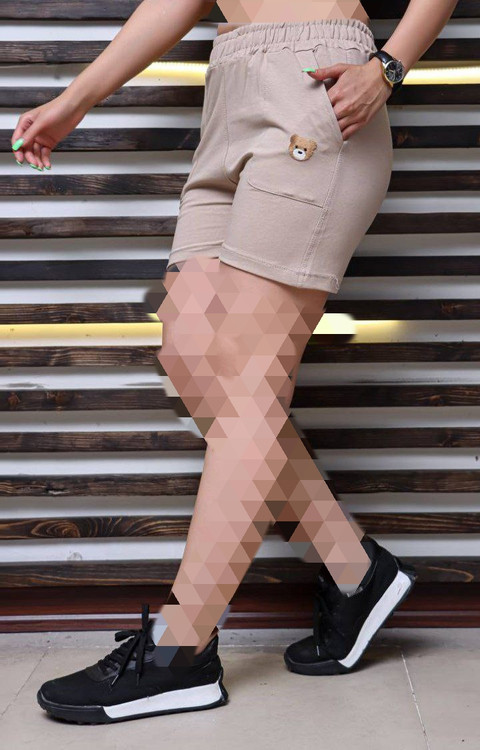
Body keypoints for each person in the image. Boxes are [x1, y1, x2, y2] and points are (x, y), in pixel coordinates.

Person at [11, 0, 459, 725]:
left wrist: (388, 66)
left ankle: (180, 651)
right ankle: (355, 572)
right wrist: (77, 98)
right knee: (192, 355)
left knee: (247, 377)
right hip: (229, 91)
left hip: (315, 90)